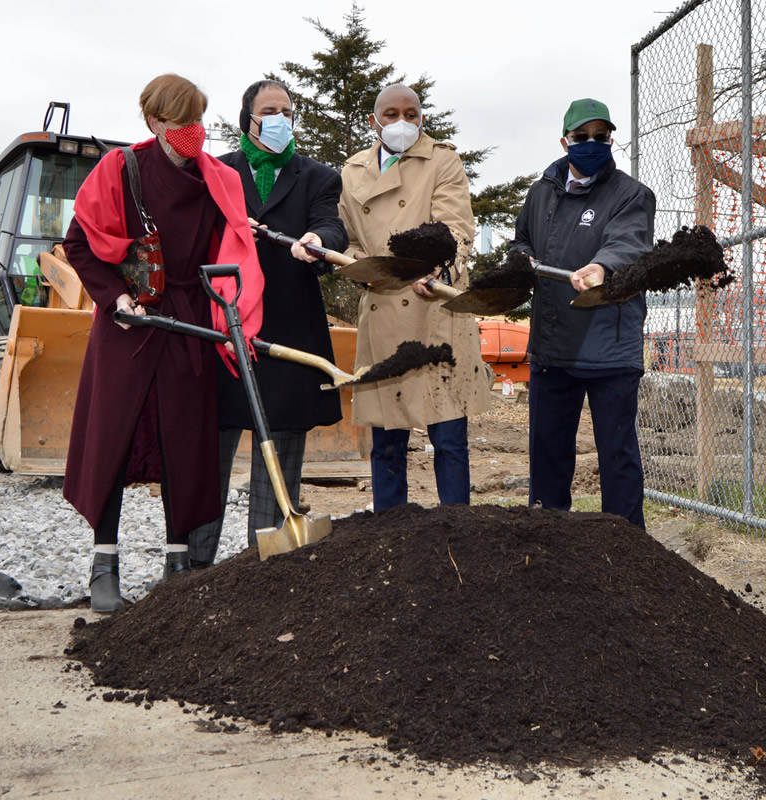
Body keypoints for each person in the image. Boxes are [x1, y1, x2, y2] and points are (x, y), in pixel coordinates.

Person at [63, 74, 263, 612]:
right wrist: (114, 300)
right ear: (154, 121)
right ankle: (103, 564)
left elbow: (234, 247)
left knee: (185, 439)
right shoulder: (120, 168)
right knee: (113, 440)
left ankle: (178, 564)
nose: (193, 132)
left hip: (188, 319)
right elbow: (78, 243)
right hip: (128, 319)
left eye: (198, 120)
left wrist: (229, 314)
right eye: (181, 123)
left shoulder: (217, 178)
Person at [187, 79, 348, 567]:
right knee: (209, 455)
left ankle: (265, 566)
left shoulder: (317, 176)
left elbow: (331, 224)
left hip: (288, 331)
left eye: (287, 110)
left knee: (277, 458)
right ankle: (195, 568)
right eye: (269, 110)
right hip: (223, 326)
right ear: (248, 118)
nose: (280, 118)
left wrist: (316, 240)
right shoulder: (216, 172)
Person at [337, 83, 492, 512]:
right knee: (386, 441)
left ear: (422, 117)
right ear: (374, 120)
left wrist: (441, 269)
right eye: (390, 114)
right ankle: (391, 533)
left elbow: (457, 227)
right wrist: (359, 267)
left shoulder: (442, 160)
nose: (401, 122)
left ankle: (456, 526)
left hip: (436, 310)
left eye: (411, 113)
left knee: (449, 438)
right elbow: (347, 239)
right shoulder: (352, 172)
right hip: (383, 308)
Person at [510, 98, 655, 529]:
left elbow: (629, 242)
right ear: (565, 140)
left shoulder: (631, 194)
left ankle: (627, 549)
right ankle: (549, 543)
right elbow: (522, 241)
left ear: (611, 140)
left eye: (601, 136)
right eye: (581, 137)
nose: (591, 143)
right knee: (548, 453)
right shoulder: (541, 193)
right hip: (554, 347)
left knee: (617, 454)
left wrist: (601, 266)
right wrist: (520, 259)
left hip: (609, 346)